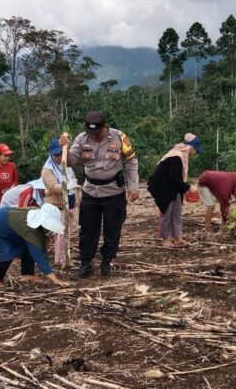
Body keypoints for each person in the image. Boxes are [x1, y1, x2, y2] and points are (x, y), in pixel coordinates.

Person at [60, 111, 139, 278]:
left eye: (97, 133)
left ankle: (107, 261)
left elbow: (131, 161)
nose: (93, 137)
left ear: (105, 127)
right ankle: (86, 263)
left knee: (112, 229)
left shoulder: (119, 137)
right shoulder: (82, 138)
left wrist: (134, 186)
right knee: (88, 229)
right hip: (90, 191)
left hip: (113, 192)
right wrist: (64, 149)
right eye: (91, 133)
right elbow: (72, 160)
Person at [0, 203, 70, 288]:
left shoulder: (34, 216)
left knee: (28, 246)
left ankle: (27, 275)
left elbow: (39, 245)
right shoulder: (29, 228)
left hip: (3, 225)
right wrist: (55, 280)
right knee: (5, 253)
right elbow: (37, 254)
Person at [147, 133, 203, 247]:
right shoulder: (176, 157)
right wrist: (188, 187)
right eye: (195, 149)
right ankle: (165, 239)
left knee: (177, 212)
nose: (195, 152)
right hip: (162, 187)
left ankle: (177, 237)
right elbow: (173, 177)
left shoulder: (182, 156)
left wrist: (184, 189)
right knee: (166, 213)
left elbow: (176, 178)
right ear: (191, 147)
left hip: (172, 187)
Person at [41, 138, 79, 266]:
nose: (59, 157)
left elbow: (72, 176)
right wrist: (66, 187)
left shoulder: (67, 165)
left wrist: (73, 185)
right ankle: (61, 259)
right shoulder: (47, 170)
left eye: (61, 153)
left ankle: (65, 255)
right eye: (56, 154)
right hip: (58, 204)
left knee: (68, 231)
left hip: (71, 201)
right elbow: (53, 186)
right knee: (61, 232)